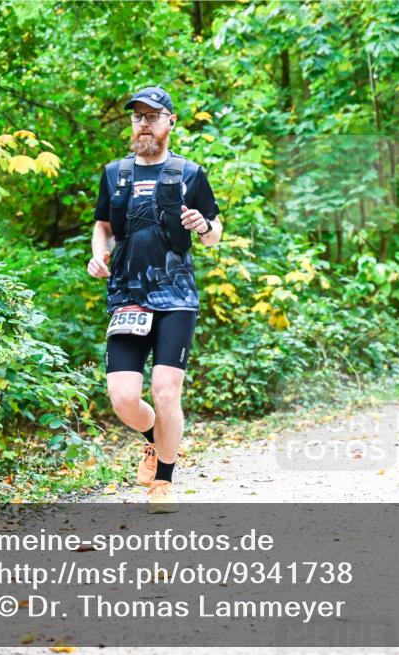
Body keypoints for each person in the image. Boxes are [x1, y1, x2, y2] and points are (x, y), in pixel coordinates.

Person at [87, 86, 223, 513]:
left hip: (176, 295)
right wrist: (97, 253)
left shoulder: (190, 174)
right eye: (136, 117)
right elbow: (104, 225)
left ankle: (163, 481)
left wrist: (203, 225)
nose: (143, 123)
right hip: (127, 295)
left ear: (170, 122)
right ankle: (153, 439)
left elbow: (215, 234)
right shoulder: (114, 173)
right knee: (123, 398)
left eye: (151, 116)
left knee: (166, 392)